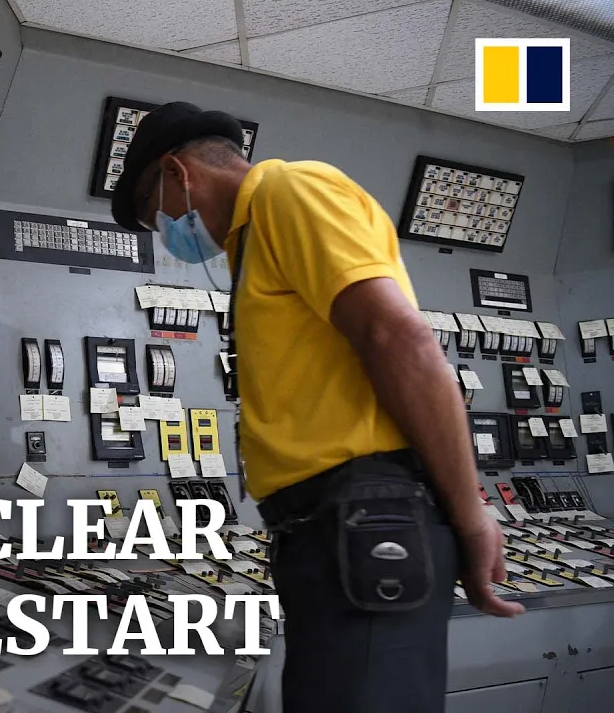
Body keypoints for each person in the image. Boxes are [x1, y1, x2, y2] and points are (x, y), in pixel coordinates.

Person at [111, 102, 523, 713]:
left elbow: (400, 338)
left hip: (364, 514)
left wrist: (473, 519)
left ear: (176, 172)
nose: (167, 232)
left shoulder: (290, 190)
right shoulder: (252, 244)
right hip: (327, 528)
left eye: (155, 214)